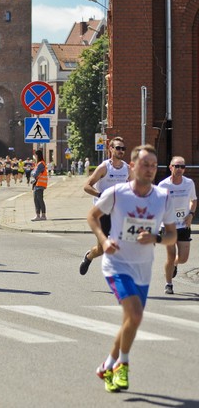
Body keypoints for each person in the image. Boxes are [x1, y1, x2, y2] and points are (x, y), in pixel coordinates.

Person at [87, 144, 177, 393]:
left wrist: (157, 239)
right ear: (133, 166)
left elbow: (171, 235)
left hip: (143, 268)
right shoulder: (117, 193)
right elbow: (92, 216)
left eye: (153, 165)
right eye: (145, 165)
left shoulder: (163, 197)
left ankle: (106, 364)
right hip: (117, 264)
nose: (149, 169)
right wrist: (104, 241)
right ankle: (122, 365)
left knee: (130, 321)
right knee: (135, 315)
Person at [79, 137, 132, 275]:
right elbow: (86, 186)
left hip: (118, 212)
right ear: (111, 149)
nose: (121, 151)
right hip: (101, 212)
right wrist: (100, 195)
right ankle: (89, 256)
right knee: (101, 249)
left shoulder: (127, 169)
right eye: (118, 148)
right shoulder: (104, 167)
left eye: (123, 148)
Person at [158, 156, 196, 294]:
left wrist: (191, 214)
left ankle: (174, 264)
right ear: (170, 167)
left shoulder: (189, 183)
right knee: (170, 255)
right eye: (176, 166)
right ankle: (169, 284)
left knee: (183, 258)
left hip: (184, 225)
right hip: (168, 226)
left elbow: (194, 200)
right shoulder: (163, 185)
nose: (179, 169)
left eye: (182, 167)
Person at [30, 150, 48, 221]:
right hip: (37, 184)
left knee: (39, 199)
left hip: (39, 184)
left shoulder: (40, 164)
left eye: (35, 155)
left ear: (38, 156)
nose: (35, 157)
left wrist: (32, 173)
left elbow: (34, 174)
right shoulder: (39, 163)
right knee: (36, 199)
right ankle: (38, 215)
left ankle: (42, 215)